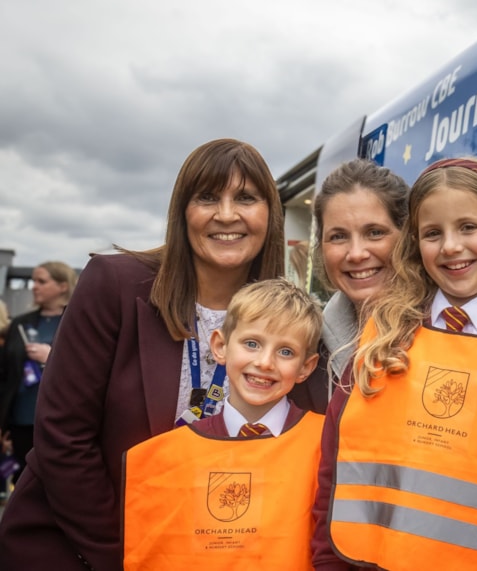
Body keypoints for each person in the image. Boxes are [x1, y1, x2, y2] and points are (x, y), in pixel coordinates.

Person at [0, 138, 288, 571]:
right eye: (207, 197)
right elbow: (63, 437)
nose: (226, 215)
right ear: (181, 213)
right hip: (84, 545)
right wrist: (122, 556)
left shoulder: (285, 316)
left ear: (270, 215)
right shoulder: (114, 285)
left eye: (245, 198)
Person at [312, 157, 477, 570]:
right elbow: (335, 474)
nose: (452, 247)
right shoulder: (380, 338)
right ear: (415, 244)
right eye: (432, 233)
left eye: (469, 227)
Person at [123, 279, 323, 568]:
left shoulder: (327, 443)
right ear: (220, 346)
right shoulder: (163, 458)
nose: (265, 362)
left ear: (306, 367)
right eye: (252, 344)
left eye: (286, 352)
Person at [0, 261, 77, 489]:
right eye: (33, 280)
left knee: (53, 483)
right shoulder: (21, 323)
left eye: (41, 281)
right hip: (21, 418)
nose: (34, 286)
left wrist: (52, 357)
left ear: (63, 286)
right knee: (23, 482)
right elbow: (5, 374)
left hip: (59, 419)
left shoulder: (75, 321)